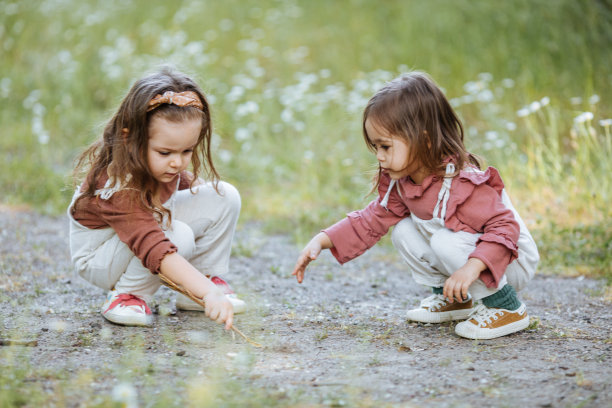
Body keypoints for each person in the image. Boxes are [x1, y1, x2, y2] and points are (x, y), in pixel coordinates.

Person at [292, 72, 539, 340]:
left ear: (425, 140)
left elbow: (505, 227)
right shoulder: (404, 182)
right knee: (403, 229)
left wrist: (472, 268)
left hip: (509, 259)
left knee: (445, 241)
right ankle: (455, 298)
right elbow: (371, 219)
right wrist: (323, 239)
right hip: (471, 256)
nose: (379, 156)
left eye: (385, 146)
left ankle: (506, 307)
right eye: (375, 146)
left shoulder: (461, 183)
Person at [68, 68, 245, 329]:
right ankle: (129, 295)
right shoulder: (117, 185)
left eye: (187, 150)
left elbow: (203, 201)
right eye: (165, 152)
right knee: (177, 235)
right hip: (100, 258)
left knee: (224, 196)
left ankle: (199, 285)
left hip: (146, 237)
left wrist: (203, 288)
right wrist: (209, 292)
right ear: (130, 140)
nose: (177, 162)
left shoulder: (163, 168)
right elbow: (154, 245)